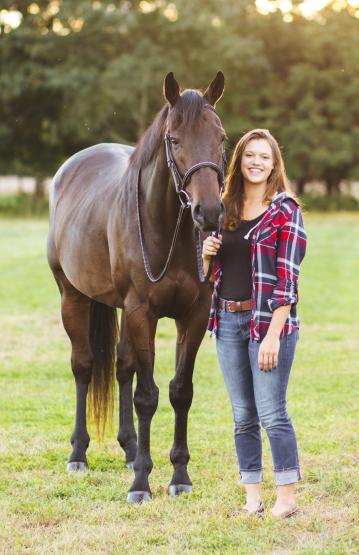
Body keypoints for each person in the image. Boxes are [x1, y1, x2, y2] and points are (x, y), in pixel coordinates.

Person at [202, 129, 307, 518]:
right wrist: (208, 254)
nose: (257, 162)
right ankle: (252, 498)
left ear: (274, 164)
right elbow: (211, 275)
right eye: (250, 155)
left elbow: (287, 282)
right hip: (227, 322)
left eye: (264, 156)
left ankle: (287, 499)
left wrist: (273, 336)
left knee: (272, 412)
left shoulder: (285, 211)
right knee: (242, 416)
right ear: (239, 162)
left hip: (267, 324)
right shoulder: (224, 207)